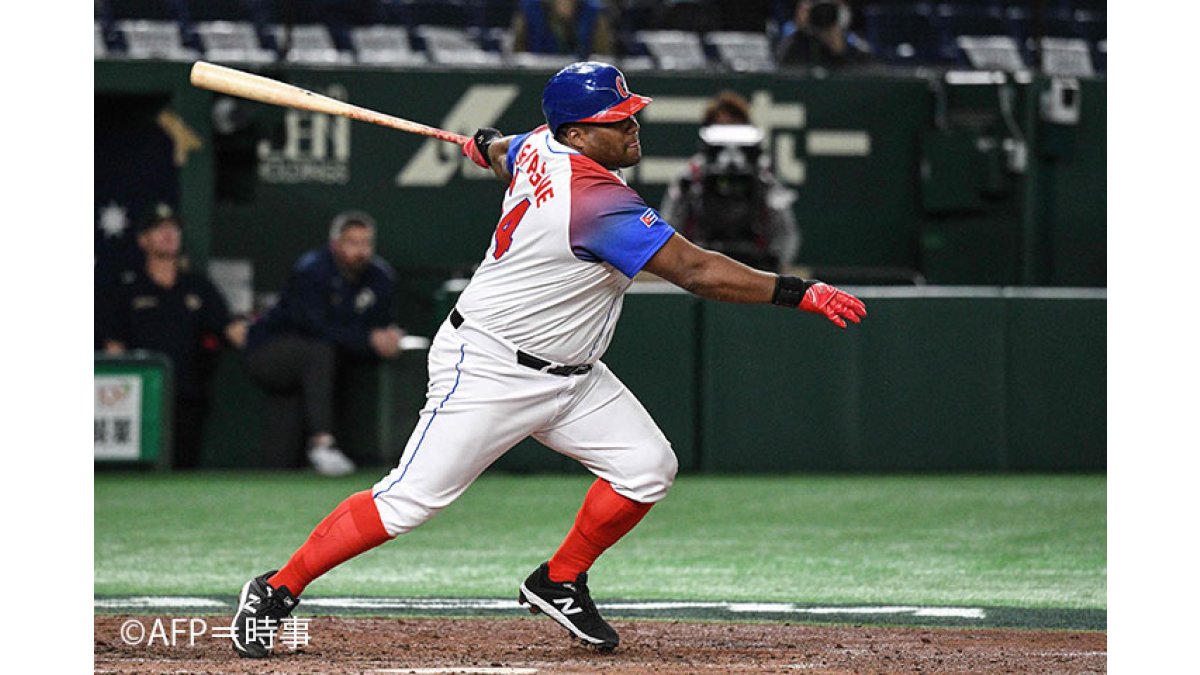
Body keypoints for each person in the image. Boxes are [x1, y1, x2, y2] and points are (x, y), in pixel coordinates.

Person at [229, 61, 865, 658]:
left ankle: (558, 580)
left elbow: (508, 149)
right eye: (618, 120)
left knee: (647, 469)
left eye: (631, 113)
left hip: (574, 375)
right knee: (408, 502)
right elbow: (696, 271)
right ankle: (275, 589)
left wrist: (488, 147)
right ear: (578, 135)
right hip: (489, 366)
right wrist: (798, 291)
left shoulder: (541, 143)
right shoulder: (591, 199)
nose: (633, 126)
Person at [241, 211, 404, 477]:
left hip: (316, 368)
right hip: (269, 352)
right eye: (352, 243)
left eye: (366, 243)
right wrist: (367, 339)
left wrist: (388, 336)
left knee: (280, 459)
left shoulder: (380, 276)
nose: (360, 251)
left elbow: (383, 323)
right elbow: (317, 328)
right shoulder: (312, 271)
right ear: (336, 244)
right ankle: (322, 442)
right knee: (318, 351)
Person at [97, 203, 248, 469]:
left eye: (174, 229)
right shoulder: (126, 288)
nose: (169, 234)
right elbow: (114, 348)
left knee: (183, 469)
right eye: (159, 229)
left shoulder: (198, 287)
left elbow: (233, 332)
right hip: (138, 403)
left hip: (187, 399)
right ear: (143, 240)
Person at [660, 90, 801, 272]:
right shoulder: (691, 176)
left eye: (733, 125)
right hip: (699, 266)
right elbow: (671, 223)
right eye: (720, 126)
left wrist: (774, 265)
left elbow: (785, 230)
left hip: (755, 270)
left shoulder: (764, 176)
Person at [775, 0, 874, 69]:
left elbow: (866, 76)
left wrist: (840, 51)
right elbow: (783, 71)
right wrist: (801, 30)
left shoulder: (853, 43)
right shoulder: (794, 42)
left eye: (830, 7)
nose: (824, 14)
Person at [511, 0, 615, 60]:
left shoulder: (593, 14)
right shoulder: (529, 11)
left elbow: (603, 54)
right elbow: (518, 54)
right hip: (538, 75)